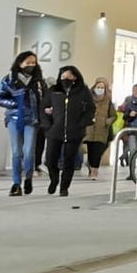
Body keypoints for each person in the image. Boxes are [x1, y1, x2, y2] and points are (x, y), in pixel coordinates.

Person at [0, 51, 46, 196]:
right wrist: (14, 104)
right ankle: (16, 183)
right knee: (16, 151)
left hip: (32, 119)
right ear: (20, 63)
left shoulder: (39, 82)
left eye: (33, 63)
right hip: (14, 118)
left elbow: (45, 100)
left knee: (29, 150)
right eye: (28, 62)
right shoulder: (9, 80)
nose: (31, 65)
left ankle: (28, 177)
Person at [44, 66, 95, 197]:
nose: (65, 79)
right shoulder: (53, 91)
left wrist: (82, 123)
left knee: (69, 160)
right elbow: (43, 107)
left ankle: (64, 187)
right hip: (55, 130)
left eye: (69, 77)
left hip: (75, 132)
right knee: (50, 159)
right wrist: (47, 124)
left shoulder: (83, 91)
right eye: (63, 77)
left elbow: (90, 109)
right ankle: (54, 179)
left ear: (75, 77)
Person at [84, 78, 116, 181]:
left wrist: (108, 121)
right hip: (89, 129)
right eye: (98, 87)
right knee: (91, 151)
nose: (100, 89)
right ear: (94, 87)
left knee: (97, 151)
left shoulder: (108, 101)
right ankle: (91, 166)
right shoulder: (88, 99)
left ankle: (94, 170)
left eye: (102, 87)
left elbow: (113, 115)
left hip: (102, 130)